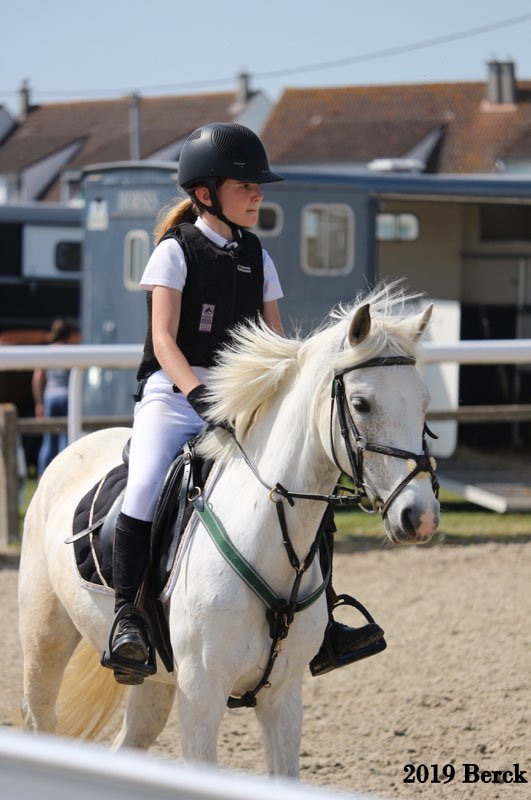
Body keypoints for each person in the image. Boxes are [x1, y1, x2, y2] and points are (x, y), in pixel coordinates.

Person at [108, 122, 383, 684]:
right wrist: (196, 392)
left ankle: (323, 619)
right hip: (175, 393)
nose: (258, 195)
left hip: (242, 400)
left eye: (260, 187)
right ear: (206, 193)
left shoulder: (259, 256)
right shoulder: (173, 252)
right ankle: (126, 620)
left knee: (306, 486)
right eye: (246, 186)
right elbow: (163, 339)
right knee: (143, 486)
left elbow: (278, 344)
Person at [32, 318, 77, 479]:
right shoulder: (72, 350)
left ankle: (41, 475)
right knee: (66, 437)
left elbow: (38, 378)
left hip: (50, 396)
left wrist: (39, 402)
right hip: (67, 396)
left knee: (48, 440)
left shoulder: (48, 350)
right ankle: (63, 475)